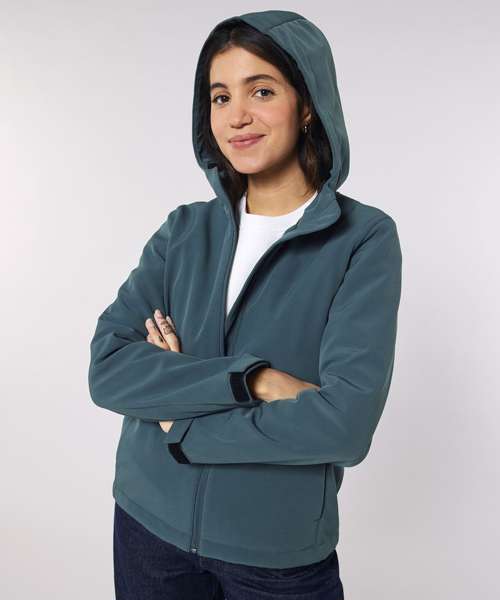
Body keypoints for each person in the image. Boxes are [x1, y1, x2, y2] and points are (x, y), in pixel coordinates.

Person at [88, 9, 402, 600]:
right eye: (220, 96)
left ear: (307, 104)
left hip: (276, 553)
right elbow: (108, 369)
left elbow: (344, 424)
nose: (236, 116)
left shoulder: (364, 239)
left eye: (261, 90)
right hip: (147, 526)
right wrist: (253, 380)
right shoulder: (184, 230)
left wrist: (181, 420)